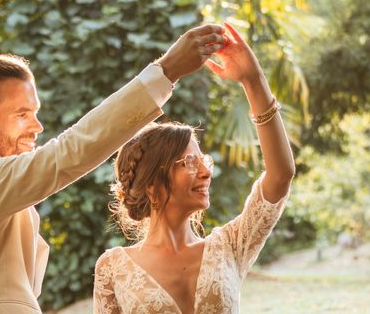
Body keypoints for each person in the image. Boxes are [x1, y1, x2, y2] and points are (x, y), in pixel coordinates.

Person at [0, 23, 225, 314]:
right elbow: (68, 152)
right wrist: (166, 71)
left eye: (35, 113)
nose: (37, 127)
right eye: (22, 114)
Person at [93, 21, 296, 314]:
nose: (205, 171)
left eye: (204, 161)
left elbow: (280, 176)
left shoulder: (229, 246)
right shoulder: (113, 268)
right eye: (190, 162)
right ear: (152, 182)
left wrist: (253, 80)